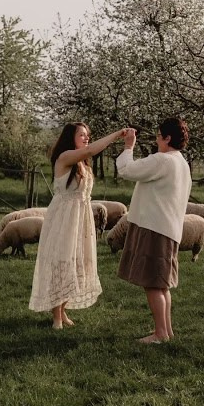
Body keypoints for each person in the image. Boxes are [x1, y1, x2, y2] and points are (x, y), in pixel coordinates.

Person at [28, 122, 128, 329]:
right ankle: (56, 316)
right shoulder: (65, 157)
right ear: (70, 137)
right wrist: (116, 135)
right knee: (62, 261)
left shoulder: (83, 163)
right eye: (82, 134)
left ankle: (63, 310)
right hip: (64, 217)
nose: (86, 138)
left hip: (80, 217)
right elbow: (90, 150)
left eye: (87, 134)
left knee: (75, 262)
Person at [115, 117, 193, 343]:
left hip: (154, 227)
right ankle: (166, 332)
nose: (157, 140)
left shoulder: (163, 160)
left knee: (152, 283)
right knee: (161, 284)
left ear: (167, 138)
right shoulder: (181, 163)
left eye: (159, 135)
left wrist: (129, 146)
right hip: (169, 228)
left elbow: (126, 170)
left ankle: (159, 334)